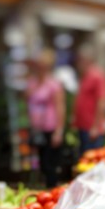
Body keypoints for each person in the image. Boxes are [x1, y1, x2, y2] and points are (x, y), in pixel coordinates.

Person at [27, 49, 66, 188]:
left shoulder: (54, 84)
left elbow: (60, 108)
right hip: (37, 129)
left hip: (50, 127)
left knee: (50, 164)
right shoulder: (32, 82)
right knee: (39, 163)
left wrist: (58, 131)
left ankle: (52, 189)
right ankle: (41, 187)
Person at [73, 44, 105, 154]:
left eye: (79, 60)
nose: (78, 63)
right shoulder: (85, 75)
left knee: (93, 159)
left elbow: (102, 101)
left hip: (92, 128)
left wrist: (96, 126)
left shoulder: (98, 75)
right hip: (83, 126)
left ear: (87, 60)